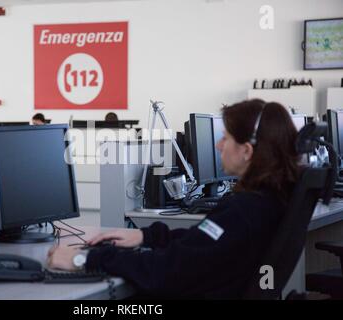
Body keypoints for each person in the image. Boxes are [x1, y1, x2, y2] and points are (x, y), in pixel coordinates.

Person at [47, 99, 300, 299]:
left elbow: (167, 272)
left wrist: (85, 259)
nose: (219, 146)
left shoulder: (243, 211)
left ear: (246, 151)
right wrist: (146, 237)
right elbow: (202, 243)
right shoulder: (266, 201)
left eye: (226, 138)